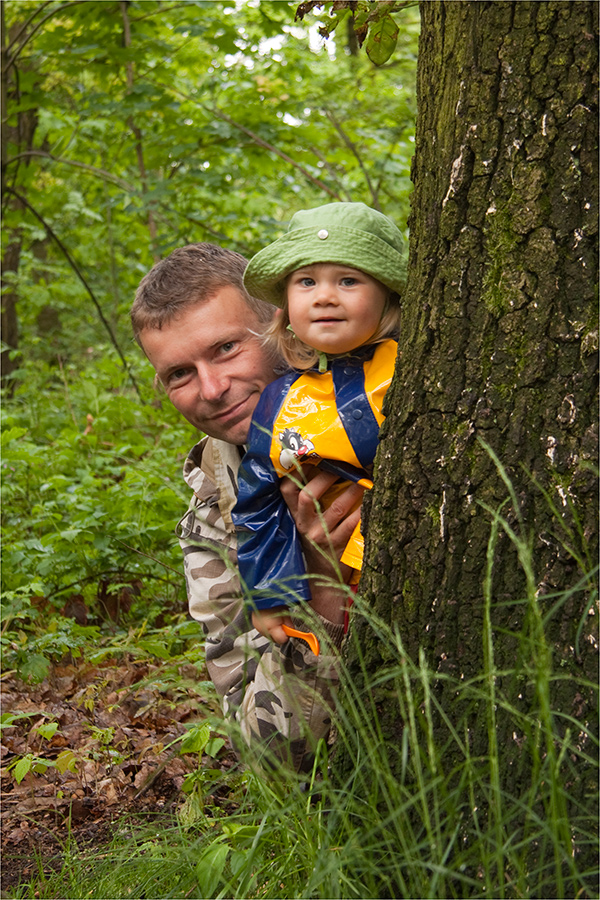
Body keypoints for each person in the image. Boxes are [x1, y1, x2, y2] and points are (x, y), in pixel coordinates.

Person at [130, 242, 365, 772]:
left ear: (279, 326)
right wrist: (320, 584)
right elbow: (270, 762)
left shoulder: (388, 390)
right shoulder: (215, 520)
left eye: (226, 348)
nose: (212, 389)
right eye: (179, 374)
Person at [232, 202, 405, 647]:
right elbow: (258, 497)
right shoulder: (281, 399)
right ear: (286, 305)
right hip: (336, 580)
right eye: (306, 282)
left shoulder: (410, 364)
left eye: (348, 281)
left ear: (387, 294)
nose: (325, 296)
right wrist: (268, 592)